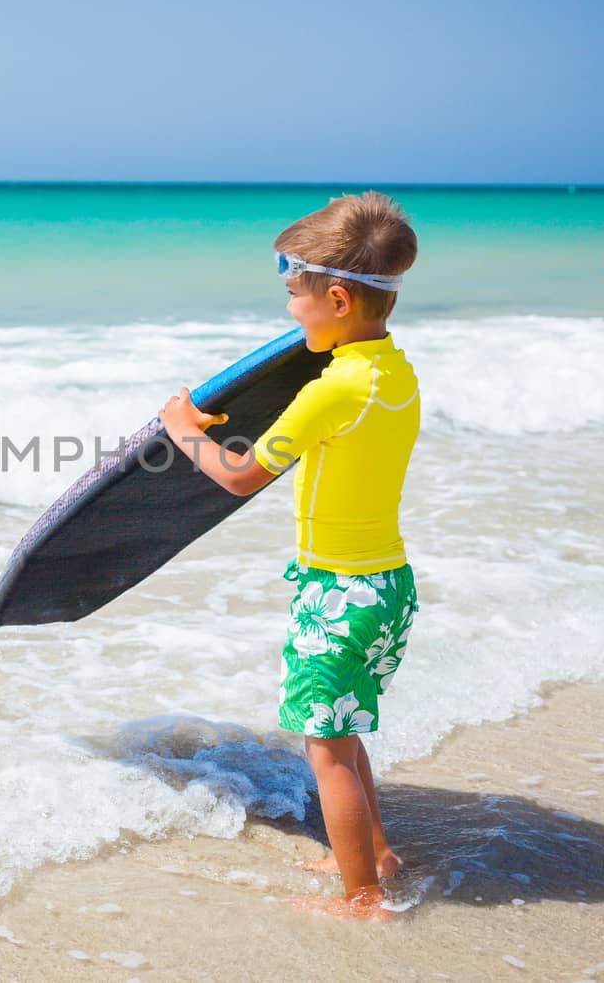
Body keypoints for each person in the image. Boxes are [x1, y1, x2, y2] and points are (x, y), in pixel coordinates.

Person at [157, 190, 421, 920]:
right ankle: (377, 851)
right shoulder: (392, 373)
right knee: (346, 728)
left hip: (337, 593)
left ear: (337, 298)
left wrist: (182, 427)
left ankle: (363, 893)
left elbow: (238, 474)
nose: (289, 313)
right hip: (388, 585)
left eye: (293, 295)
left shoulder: (330, 391)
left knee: (325, 747)